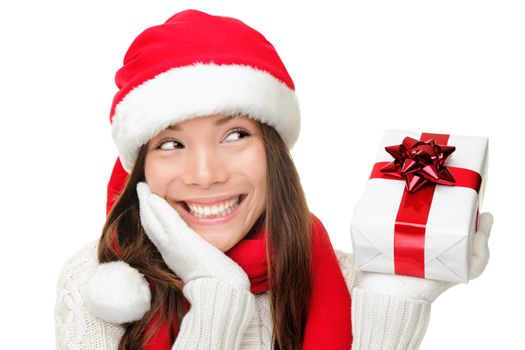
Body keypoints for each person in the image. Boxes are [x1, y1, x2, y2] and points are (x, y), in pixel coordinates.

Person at [54, 9, 493, 350]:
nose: (206, 175)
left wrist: (392, 306)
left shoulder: (347, 277)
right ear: (142, 167)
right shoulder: (97, 283)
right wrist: (216, 296)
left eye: (235, 135)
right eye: (171, 144)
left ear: (273, 153)